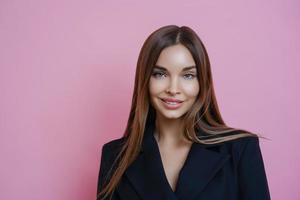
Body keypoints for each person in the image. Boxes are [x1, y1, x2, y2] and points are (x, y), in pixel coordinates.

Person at [96, 25, 271, 200]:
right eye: (160, 74)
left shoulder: (241, 149)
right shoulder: (115, 156)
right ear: (145, 80)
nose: (173, 89)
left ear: (202, 82)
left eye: (187, 75)